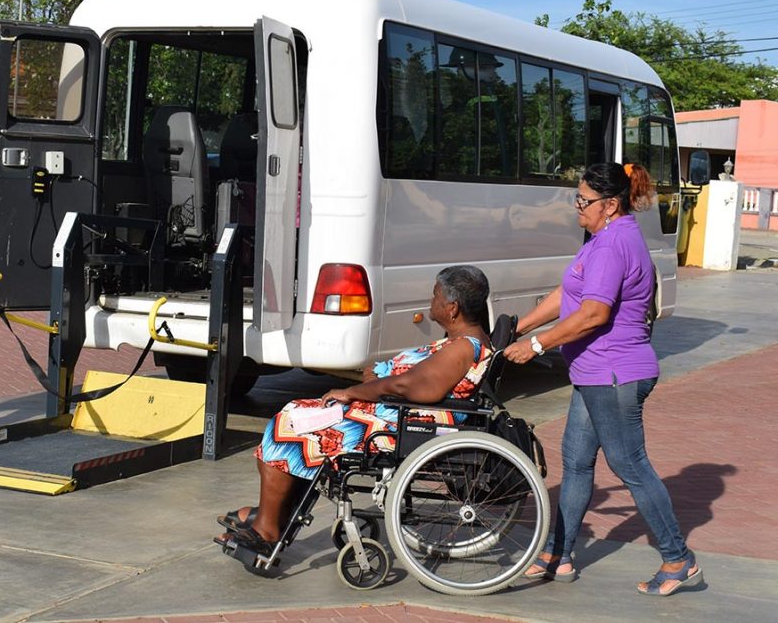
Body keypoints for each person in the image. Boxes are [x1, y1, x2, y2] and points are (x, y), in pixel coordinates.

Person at [504, 162, 702, 596]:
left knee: (630, 465)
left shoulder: (615, 244)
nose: (578, 208)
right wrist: (520, 327)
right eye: (577, 199)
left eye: (585, 201)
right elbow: (567, 293)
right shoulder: (601, 239)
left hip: (615, 374)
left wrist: (538, 345)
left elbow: (594, 313)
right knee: (575, 462)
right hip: (594, 373)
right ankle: (559, 553)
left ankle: (678, 560)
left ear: (610, 205)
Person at [215, 265, 492, 555]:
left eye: (435, 295)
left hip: (403, 424)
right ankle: (274, 513)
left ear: (452, 308)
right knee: (294, 414)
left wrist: (352, 392)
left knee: (289, 427)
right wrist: (378, 379)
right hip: (399, 413)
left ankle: (269, 528)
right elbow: (408, 382)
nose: (430, 300)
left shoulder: (462, 348)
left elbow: (411, 387)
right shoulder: (463, 341)